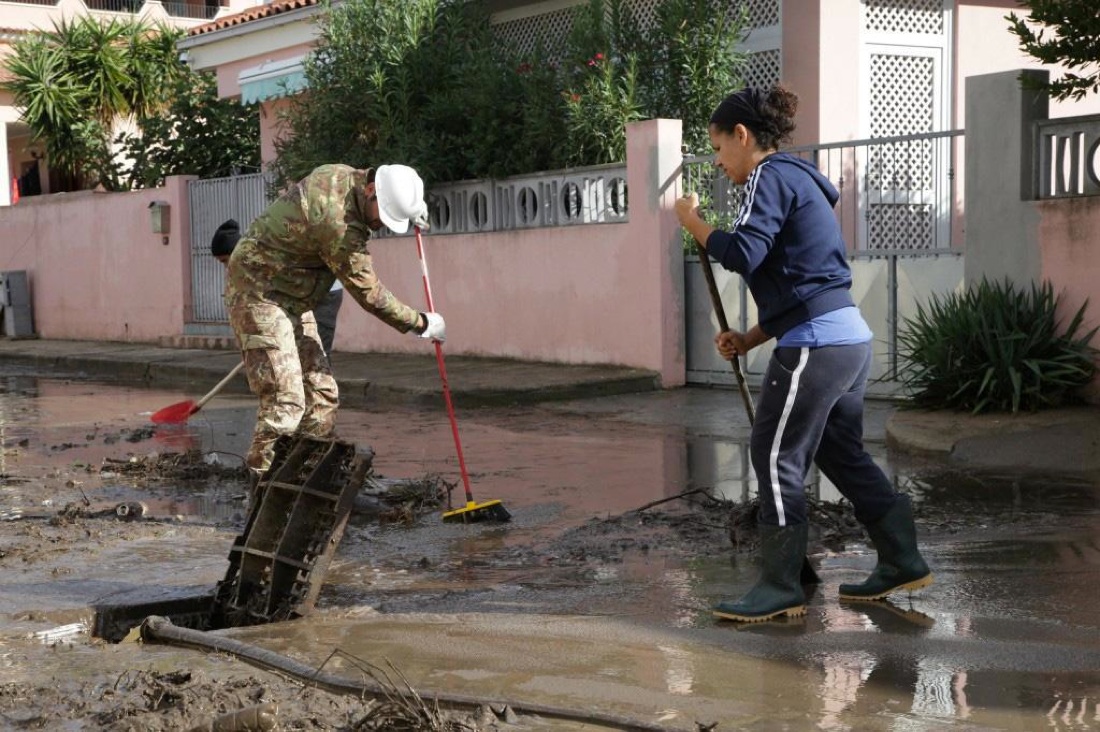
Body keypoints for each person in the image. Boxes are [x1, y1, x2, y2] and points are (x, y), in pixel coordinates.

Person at [675, 86, 932, 623]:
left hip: (816, 347)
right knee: (841, 453)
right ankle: (901, 558)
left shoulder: (768, 177)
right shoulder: (800, 180)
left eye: (719, 149)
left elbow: (743, 253)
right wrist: (750, 338)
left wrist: (693, 224)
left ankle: (779, 585)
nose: (720, 163)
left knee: (773, 455)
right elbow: (803, 285)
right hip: (846, 341)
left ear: (742, 137)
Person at [224, 163, 443, 483]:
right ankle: (260, 485)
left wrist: (412, 211)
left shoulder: (346, 177)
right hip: (260, 293)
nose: (381, 224)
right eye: (382, 214)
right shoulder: (337, 223)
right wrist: (421, 323)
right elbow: (370, 295)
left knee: (322, 396)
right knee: (285, 402)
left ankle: (303, 475)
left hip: (294, 297)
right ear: (370, 191)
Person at [212, 219, 344, 355]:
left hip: (323, 294)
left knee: (316, 352)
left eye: (225, 260)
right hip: (301, 297)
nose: (226, 266)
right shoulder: (250, 260)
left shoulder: (263, 253)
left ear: (236, 252)